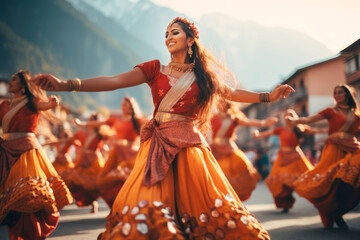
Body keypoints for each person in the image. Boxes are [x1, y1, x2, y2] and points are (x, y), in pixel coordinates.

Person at [34, 17, 294, 239]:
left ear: (190, 40)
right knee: (150, 207)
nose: (168, 37)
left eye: (175, 32)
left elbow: (231, 92)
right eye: (166, 33)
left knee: (200, 207)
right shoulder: (154, 69)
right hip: (158, 143)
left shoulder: (204, 77)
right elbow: (114, 81)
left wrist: (268, 97)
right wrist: (68, 84)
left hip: (190, 146)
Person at [0, 70, 73, 239]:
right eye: (10, 79)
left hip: (27, 151)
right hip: (6, 151)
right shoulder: (3, 105)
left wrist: (53, 102)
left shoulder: (32, 102)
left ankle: (34, 233)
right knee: (12, 201)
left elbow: (45, 105)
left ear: (23, 85)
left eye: (14, 79)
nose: (10, 82)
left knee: (28, 193)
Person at [288, 84, 360, 229]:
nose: (337, 95)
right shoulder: (330, 111)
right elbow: (309, 119)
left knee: (349, 180)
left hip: (352, 147)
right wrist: (295, 121)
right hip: (333, 149)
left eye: (340, 92)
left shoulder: (356, 114)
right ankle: (334, 213)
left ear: (347, 94)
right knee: (331, 181)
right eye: (335, 93)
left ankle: (338, 211)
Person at [252, 109, 326, 213]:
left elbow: (315, 130)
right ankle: (285, 204)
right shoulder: (280, 129)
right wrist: (257, 134)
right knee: (279, 182)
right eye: (286, 115)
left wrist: (327, 131)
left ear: (295, 117)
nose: (287, 117)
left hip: (297, 157)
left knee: (308, 179)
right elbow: (265, 134)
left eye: (290, 115)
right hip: (282, 157)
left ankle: (319, 201)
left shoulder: (300, 128)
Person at [210, 100, 278, 201]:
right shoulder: (212, 117)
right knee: (216, 175)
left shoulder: (233, 118)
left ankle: (233, 197)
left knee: (241, 170)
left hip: (230, 150)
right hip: (215, 150)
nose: (221, 105)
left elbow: (248, 122)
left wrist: (264, 122)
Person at [62, 113, 115, 213]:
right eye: (90, 120)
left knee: (99, 184)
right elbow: (71, 140)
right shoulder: (82, 133)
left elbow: (113, 137)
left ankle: (111, 204)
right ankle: (92, 203)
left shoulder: (101, 134)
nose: (91, 123)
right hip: (83, 159)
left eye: (93, 121)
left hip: (95, 160)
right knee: (82, 183)